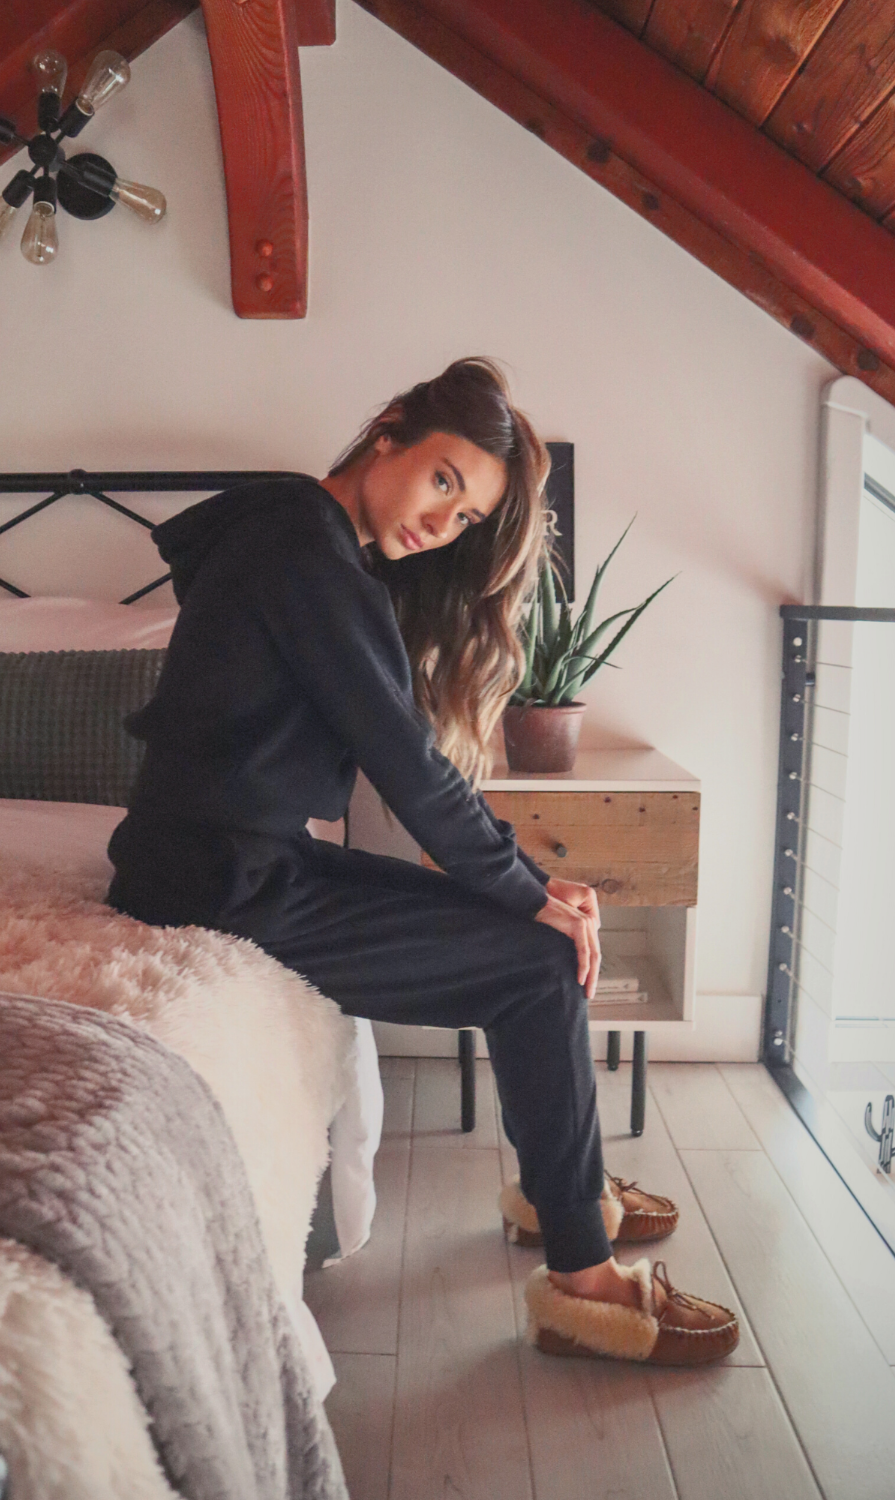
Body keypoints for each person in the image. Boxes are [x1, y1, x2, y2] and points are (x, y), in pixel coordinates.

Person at [107, 357, 738, 1366]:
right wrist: (527, 889)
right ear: (390, 429)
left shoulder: (305, 535)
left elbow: (405, 756)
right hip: (218, 886)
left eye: (465, 516)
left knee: (532, 946)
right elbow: (408, 765)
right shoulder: (302, 551)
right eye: (443, 481)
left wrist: (527, 888)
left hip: (237, 860)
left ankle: (561, 1195)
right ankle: (581, 1279)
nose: (441, 525)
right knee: (539, 964)